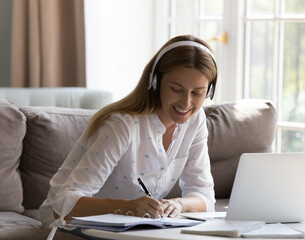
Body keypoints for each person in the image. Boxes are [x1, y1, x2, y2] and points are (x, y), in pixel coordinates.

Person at [40, 35, 217, 238]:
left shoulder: (195, 121)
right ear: (155, 82)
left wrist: (177, 204)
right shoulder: (122, 125)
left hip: (132, 225)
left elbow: (204, 195)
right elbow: (63, 203)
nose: (186, 103)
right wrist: (127, 207)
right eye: (176, 89)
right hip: (68, 221)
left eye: (198, 92)